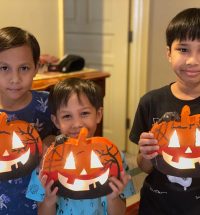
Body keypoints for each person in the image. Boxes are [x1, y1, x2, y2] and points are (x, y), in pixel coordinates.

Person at [26, 78, 135, 215]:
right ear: (56, 121)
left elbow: (120, 212)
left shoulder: (113, 156)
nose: (77, 124)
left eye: (84, 113)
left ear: (98, 114)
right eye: (67, 116)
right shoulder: (47, 161)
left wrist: (112, 198)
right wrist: (49, 200)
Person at [129, 8, 200, 215]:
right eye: (183, 50)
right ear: (169, 53)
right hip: (157, 206)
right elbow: (145, 167)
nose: (192, 60)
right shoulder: (150, 102)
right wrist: (146, 154)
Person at [0, 26, 57, 214]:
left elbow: (66, 136)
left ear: (36, 68)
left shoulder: (48, 103)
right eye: (4, 68)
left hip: (39, 204)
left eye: (23, 68)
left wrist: (51, 141)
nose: (15, 79)